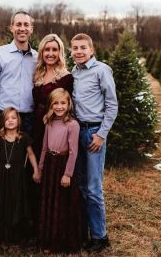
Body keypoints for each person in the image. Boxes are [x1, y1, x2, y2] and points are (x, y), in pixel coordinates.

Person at [71, 33, 118, 252]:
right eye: (75, 48)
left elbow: (112, 105)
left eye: (83, 47)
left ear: (91, 49)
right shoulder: (74, 72)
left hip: (93, 133)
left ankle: (100, 236)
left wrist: (101, 134)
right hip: (77, 132)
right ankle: (84, 231)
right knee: (80, 185)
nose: (78, 51)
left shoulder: (101, 70)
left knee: (93, 187)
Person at [30, 33, 73, 232]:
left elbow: (66, 107)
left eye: (54, 50)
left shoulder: (65, 77)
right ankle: (37, 221)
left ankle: (54, 224)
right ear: (42, 52)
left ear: (60, 52)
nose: (50, 53)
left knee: (51, 172)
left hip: (53, 127)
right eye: (47, 49)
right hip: (35, 126)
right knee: (36, 171)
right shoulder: (37, 74)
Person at [0, 107, 41, 245]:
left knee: (16, 200)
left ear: (18, 120)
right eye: (7, 118)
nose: (10, 121)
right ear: (2, 121)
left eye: (13, 118)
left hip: (18, 176)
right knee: (2, 201)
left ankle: (17, 233)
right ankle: (2, 234)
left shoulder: (23, 137)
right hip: (2, 175)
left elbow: (31, 154)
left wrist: (36, 170)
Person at [38, 88, 82, 254]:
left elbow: (73, 151)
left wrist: (67, 174)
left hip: (63, 166)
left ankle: (61, 241)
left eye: (63, 103)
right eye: (55, 103)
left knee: (61, 204)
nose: (59, 106)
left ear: (68, 104)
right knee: (49, 202)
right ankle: (48, 239)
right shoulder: (49, 122)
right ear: (51, 105)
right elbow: (44, 147)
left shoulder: (72, 124)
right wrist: (40, 169)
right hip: (50, 164)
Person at [0, 11, 38, 144]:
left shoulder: (38, 58)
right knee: (3, 162)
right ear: (11, 28)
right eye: (18, 24)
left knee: (27, 162)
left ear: (31, 29)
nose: (22, 28)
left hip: (29, 120)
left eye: (26, 24)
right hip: (3, 117)